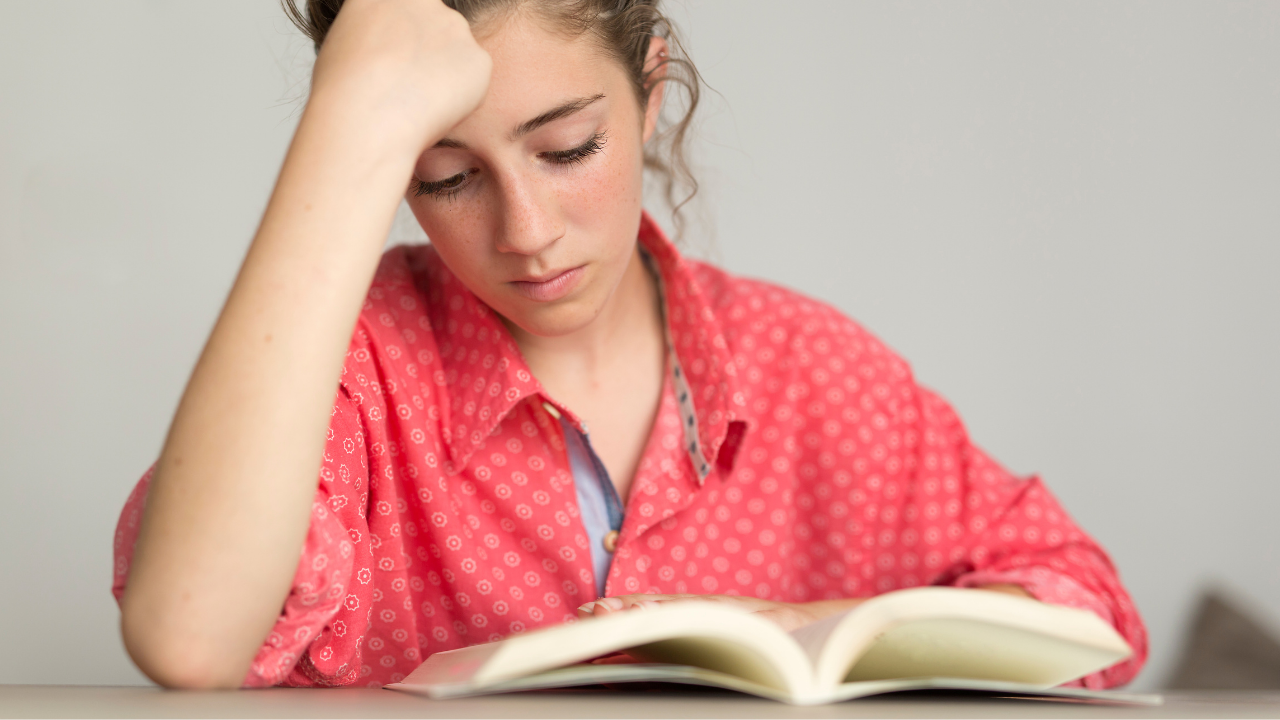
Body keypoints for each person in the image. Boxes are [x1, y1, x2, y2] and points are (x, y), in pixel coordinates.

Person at [111, 0, 1148, 690]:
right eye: (445, 178)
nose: (524, 230)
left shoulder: (814, 371)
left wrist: (817, 623)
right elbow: (190, 633)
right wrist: (344, 121)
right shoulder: (347, 377)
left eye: (566, 149)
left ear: (650, 90)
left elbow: (1091, 616)